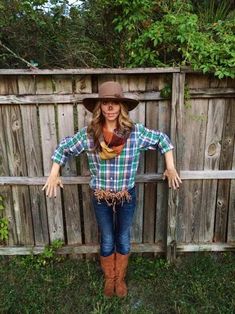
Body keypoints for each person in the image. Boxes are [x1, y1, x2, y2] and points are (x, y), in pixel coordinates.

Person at [42, 81, 182, 298]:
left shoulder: (134, 133)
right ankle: (110, 280)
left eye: (114, 103)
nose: (110, 108)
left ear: (121, 107)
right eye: (105, 103)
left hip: (127, 195)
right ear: (100, 107)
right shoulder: (91, 135)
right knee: (107, 237)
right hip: (101, 196)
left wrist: (170, 167)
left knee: (123, 237)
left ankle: (120, 279)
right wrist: (54, 173)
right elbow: (64, 147)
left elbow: (163, 140)